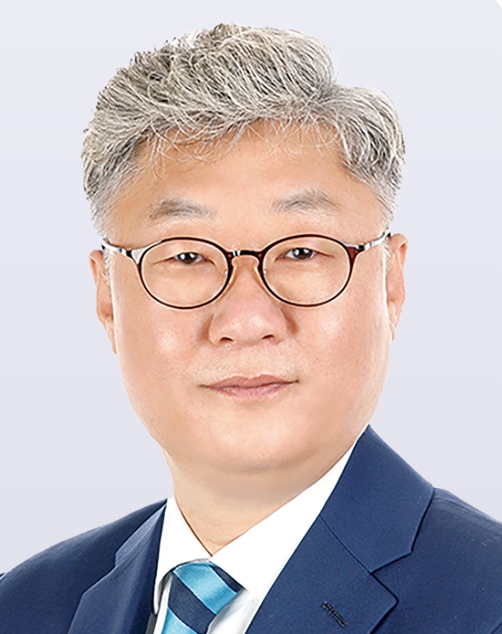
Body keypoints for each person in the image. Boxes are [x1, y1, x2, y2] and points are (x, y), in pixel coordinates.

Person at [1, 23, 501, 634]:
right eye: (187, 256)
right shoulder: (23, 606)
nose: (246, 320)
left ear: (390, 284)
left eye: (301, 252)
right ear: (107, 297)